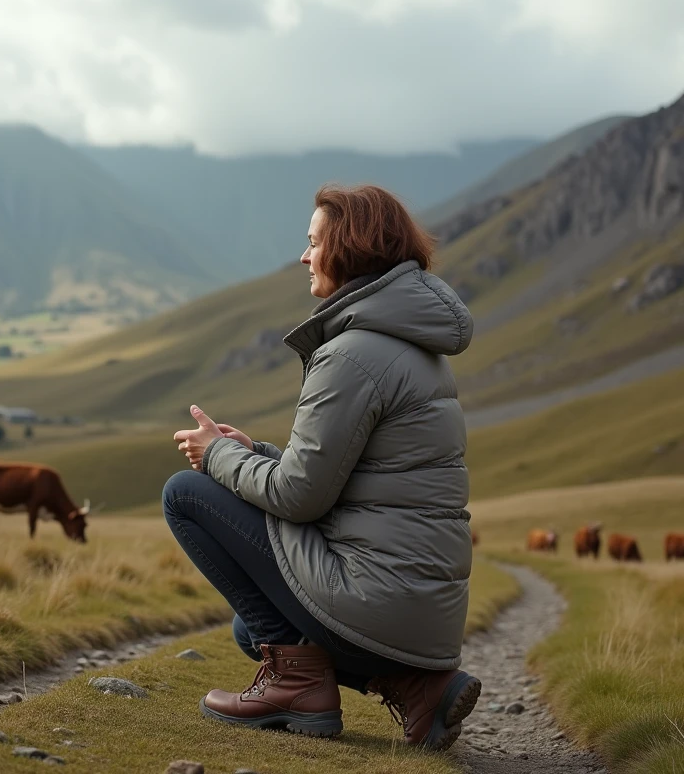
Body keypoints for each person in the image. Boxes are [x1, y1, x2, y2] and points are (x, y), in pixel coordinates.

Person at [164, 183, 478, 751]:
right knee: (249, 631)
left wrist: (216, 455)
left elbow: (301, 498)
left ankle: (296, 688)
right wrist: (252, 450)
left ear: (349, 248)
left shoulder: (354, 353)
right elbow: (349, 480)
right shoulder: (412, 348)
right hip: (419, 611)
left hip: (378, 596)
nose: (304, 257)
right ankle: (414, 685)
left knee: (185, 493)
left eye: (313, 243)